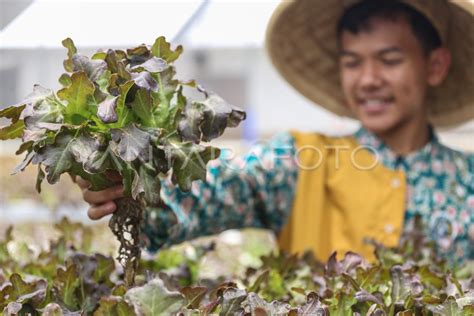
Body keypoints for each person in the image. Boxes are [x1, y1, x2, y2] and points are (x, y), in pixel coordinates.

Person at [75, 0, 474, 264]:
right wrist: (130, 185)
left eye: (389, 59)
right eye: (352, 62)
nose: (368, 79)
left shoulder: (467, 180)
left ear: (435, 66)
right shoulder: (299, 161)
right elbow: (206, 192)